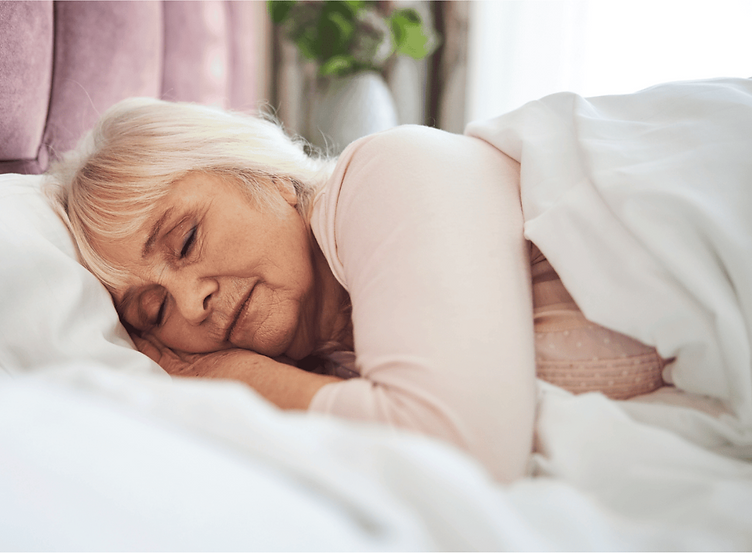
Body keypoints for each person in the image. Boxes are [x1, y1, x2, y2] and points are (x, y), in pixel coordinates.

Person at [46, 97, 671, 483]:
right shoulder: (334, 370)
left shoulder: (389, 171)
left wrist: (224, 377)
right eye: (152, 312)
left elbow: (460, 454)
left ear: (267, 178)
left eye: (184, 241)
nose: (188, 305)